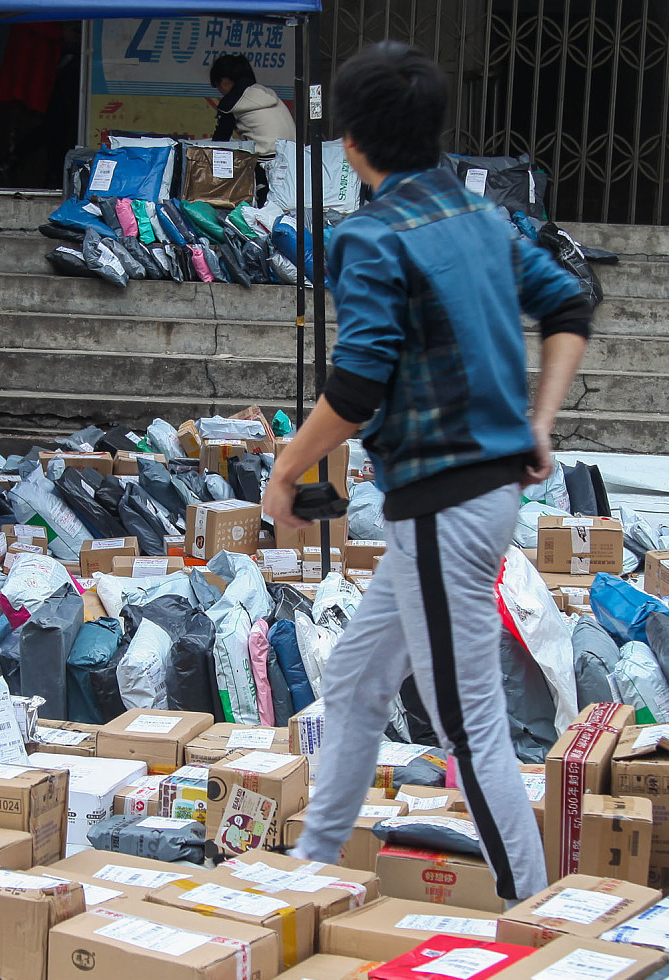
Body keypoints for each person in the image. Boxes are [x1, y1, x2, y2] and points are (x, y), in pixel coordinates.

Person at [262, 41, 593, 904]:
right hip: (459, 502)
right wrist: (541, 421)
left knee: (468, 720)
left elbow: (358, 383)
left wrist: (286, 465)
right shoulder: (484, 220)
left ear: (350, 143)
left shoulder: (372, 236)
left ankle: (534, 914)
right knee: (358, 675)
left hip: (446, 505)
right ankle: (313, 865)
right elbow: (569, 303)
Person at [208, 53, 294, 150]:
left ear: (224, 82)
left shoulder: (233, 102)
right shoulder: (265, 92)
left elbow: (220, 141)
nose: (220, 91)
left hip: (268, 157)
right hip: (293, 154)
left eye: (217, 86)